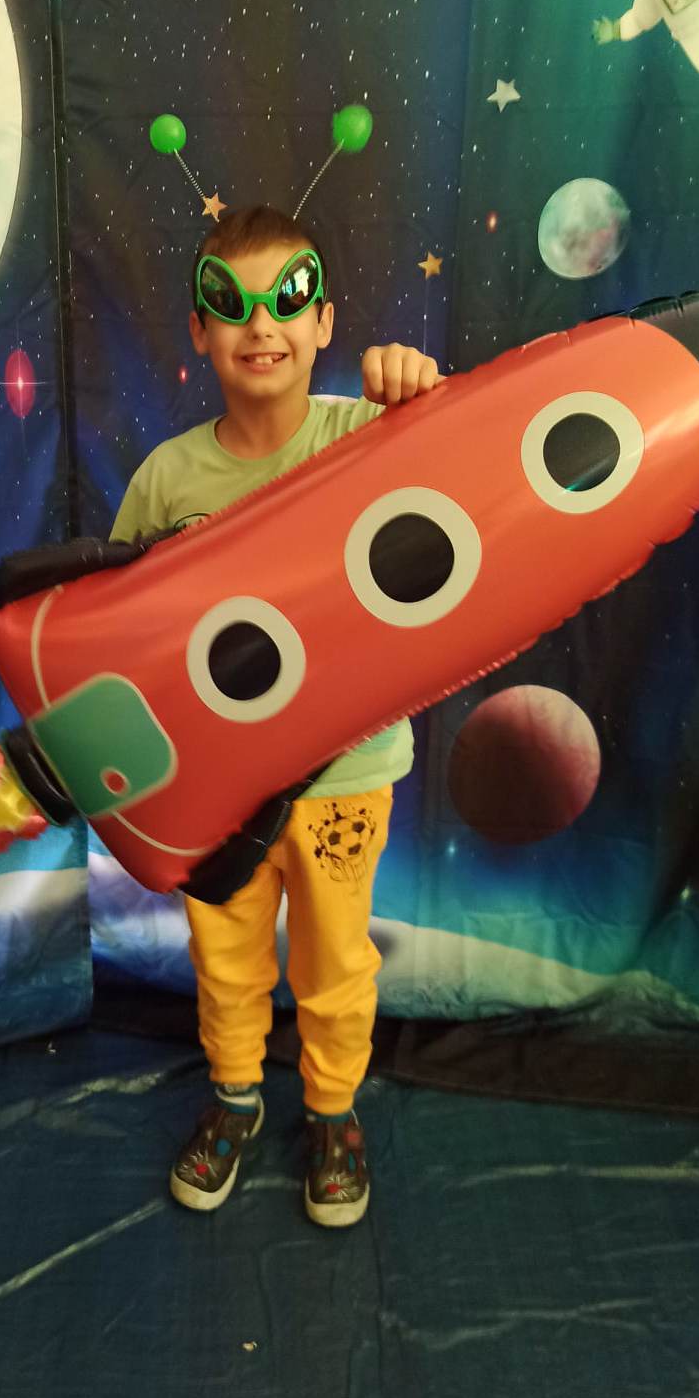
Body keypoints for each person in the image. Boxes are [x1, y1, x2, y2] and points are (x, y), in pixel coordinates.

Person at [109, 204, 440, 1227]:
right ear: (200, 330)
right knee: (225, 955)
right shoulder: (168, 477)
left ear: (325, 321)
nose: (262, 325)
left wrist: (417, 392)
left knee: (336, 958)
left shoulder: (373, 433)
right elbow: (116, 628)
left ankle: (333, 1111)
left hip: (347, 775)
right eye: (233, 303)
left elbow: (460, 490)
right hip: (216, 784)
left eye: (288, 300)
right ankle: (237, 1098)